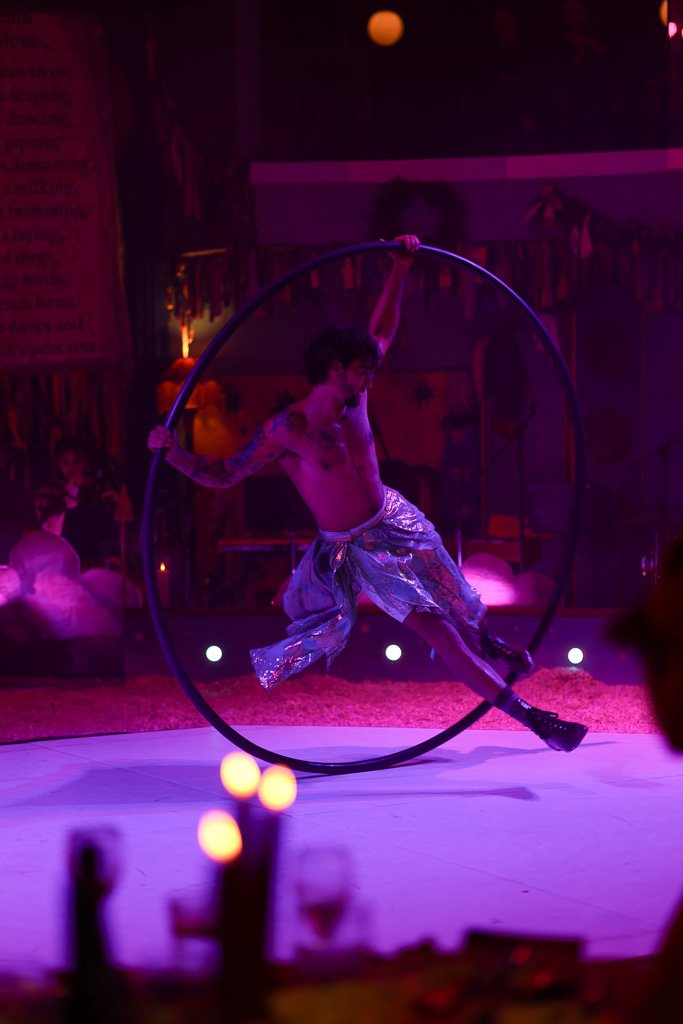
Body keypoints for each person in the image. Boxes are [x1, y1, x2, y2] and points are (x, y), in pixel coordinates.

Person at [148, 235, 587, 753]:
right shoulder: (288, 428)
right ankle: (536, 721)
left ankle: (489, 643)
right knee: (438, 633)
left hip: (394, 517)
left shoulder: (356, 398)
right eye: (361, 369)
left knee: (457, 597)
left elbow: (382, 331)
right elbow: (223, 474)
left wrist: (400, 268)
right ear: (334, 368)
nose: (370, 377)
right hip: (355, 550)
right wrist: (172, 453)